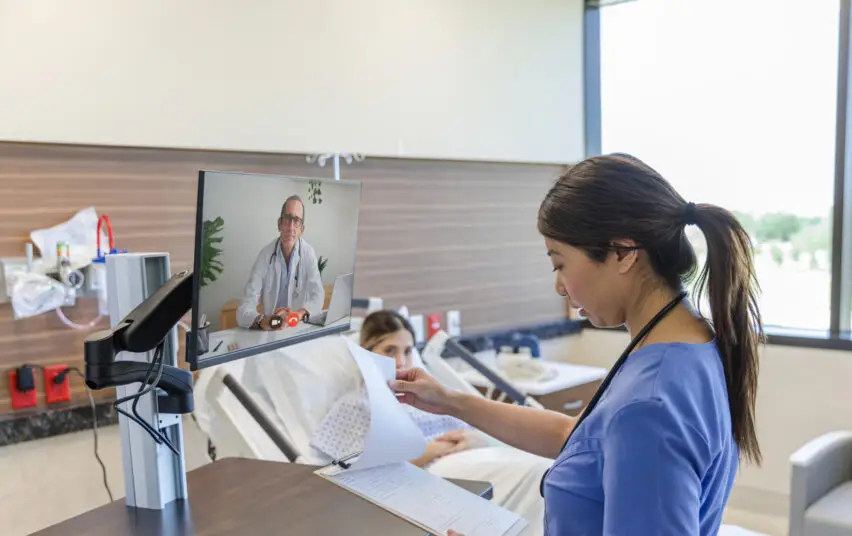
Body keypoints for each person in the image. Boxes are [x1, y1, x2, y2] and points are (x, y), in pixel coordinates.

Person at [389, 153, 764, 536]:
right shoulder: (689, 344)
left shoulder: (648, 405)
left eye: (560, 263)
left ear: (623, 252)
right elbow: (576, 438)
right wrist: (449, 400)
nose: (558, 286)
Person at [309, 309, 549, 535]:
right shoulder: (356, 404)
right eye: (390, 350)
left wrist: (479, 439)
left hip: (475, 456)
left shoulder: (428, 394)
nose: (401, 361)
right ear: (366, 352)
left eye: (407, 351)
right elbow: (355, 473)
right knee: (541, 478)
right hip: (431, 474)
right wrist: (432, 450)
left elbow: (472, 430)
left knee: (548, 469)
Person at [236, 195, 325, 331]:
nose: (290, 227)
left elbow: (318, 295)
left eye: (296, 221)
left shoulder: (308, 253)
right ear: (279, 224)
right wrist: (263, 320)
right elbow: (244, 308)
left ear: (302, 229)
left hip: (297, 328)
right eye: (287, 218)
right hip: (271, 330)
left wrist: (298, 314)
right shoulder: (265, 255)